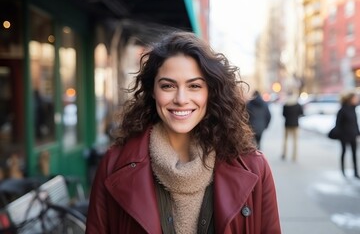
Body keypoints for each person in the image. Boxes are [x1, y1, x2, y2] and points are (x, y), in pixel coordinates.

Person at [85, 31, 281, 234]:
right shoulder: (113, 166)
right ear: (153, 90)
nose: (181, 98)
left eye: (194, 86)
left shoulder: (255, 168)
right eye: (168, 86)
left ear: (210, 91)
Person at [334, 92, 359, 178]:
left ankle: (355, 172)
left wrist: (358, 133)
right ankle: (343, 170)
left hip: (353, 135)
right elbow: (338, 124)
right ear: (350, 99)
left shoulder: (353, 109)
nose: (357, 100)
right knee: (344, 152)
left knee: (354, 154)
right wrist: (341, 134)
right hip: (344, 136)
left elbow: (355, 123)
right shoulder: (342, 110)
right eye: (355, 98)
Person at [282, 91, 303, 161]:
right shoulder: (297, 105)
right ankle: (294, 156)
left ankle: (284, 153)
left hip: (287, 124)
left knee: (285, 140)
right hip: (295, 124)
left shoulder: (286, 105)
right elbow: (301, 113)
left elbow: (283, 114)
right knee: (295, 141)